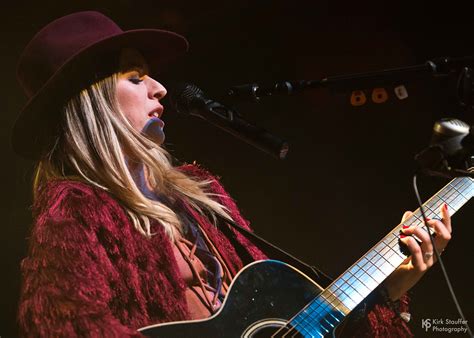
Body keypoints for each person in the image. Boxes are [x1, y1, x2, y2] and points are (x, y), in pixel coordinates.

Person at [13, 11, 452, 337]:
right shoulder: (77, 208)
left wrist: (390, 286)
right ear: (91, 104)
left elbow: (293, 319)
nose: (160, 87)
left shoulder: (202, 197)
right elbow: (64, 324)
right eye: (135, 76)